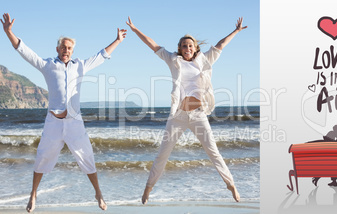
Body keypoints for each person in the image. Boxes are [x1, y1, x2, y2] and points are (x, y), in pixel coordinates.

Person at [1, 13, 127, 212]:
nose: (66, 50)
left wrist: (118, 40)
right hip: (53, 122)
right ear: (57, 49)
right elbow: (25, 51)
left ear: (72, 50)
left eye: (69, 48)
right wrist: (9, 32)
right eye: (63, 47)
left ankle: (98, 193)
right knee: (42, 158)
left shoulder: (81, 66)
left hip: (75, 123)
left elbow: (102, 55)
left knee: (87, 158)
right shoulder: (48, 66)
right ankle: (33, 195)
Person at [126, 16, 247, 204]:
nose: (187, 48)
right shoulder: (173, 60)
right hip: (178, 116)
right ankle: (148, 187)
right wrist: (135, 30)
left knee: (213, 152)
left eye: (190, 45)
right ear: (180, 49)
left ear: (195, 48)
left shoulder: (205, 59)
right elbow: (154, 45)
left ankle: (231, 185)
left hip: (198, 115)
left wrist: (236, 31)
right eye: (184, 46)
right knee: (163, 153)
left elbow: (220, 45)